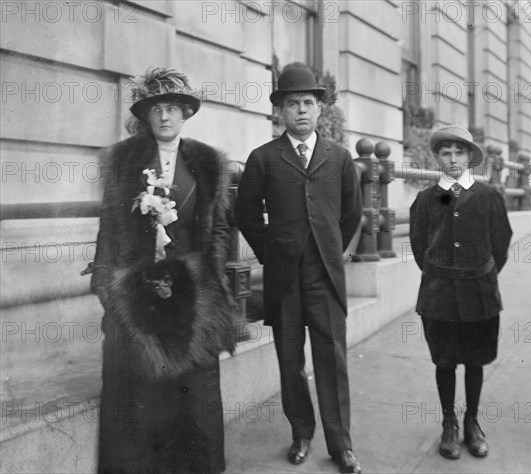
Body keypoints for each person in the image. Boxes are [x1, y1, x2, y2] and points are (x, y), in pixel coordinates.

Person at [90, 67, 236, 474]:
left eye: (173, 108)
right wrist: (105, 282)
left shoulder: (207, 162)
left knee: (197, 393)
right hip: (138, 289)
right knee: (139, 395)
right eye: (157, 109)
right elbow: (108, 224)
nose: (165, 117)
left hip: (192, 292)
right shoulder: (124, 160)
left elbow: (219, 227)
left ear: (186, 113)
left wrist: (212, 274)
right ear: (147, 115)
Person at [235, 65, 363, 473]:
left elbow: (352, 214)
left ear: (319, 109)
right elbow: (247, 213)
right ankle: (301, 433)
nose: (302, 111)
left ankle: (341, 443)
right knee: (290, 358)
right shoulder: (264, 158)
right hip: (284, 275)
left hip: (325, 275)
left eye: (308, 103)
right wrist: (270, 253)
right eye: (293, 104)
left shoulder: (340, 158)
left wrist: (332, 251)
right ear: (281, 112)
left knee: (332, 357)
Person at [409, 125, 513, 460]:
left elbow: (500, 245)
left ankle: (472, 423)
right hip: (438, 294)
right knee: (444, 360)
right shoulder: (426, 200)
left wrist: (479, 275)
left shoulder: (489, 197)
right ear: (437, 157)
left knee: (475, 359)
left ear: (470, 156)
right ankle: (449, 424)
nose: (453, 159)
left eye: (459, 152)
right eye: (445, 153)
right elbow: (418, 245)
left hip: (479, 292)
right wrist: (442, 275)